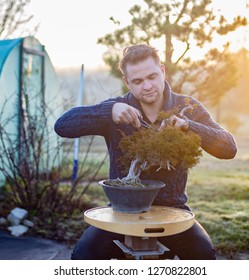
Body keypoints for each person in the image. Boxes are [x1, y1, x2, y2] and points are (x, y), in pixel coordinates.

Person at [54, 44, 237, 260]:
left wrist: (189, 126)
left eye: (152, 76)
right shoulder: (117, 110)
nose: (147, 86)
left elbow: (229, 148)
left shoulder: (187, 107)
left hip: (173, 213)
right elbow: (62, 126)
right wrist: (108, 111)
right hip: (121, 213)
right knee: (84, 257)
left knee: (202, 254)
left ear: (162, 70)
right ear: (127, 82)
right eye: (138, 81)